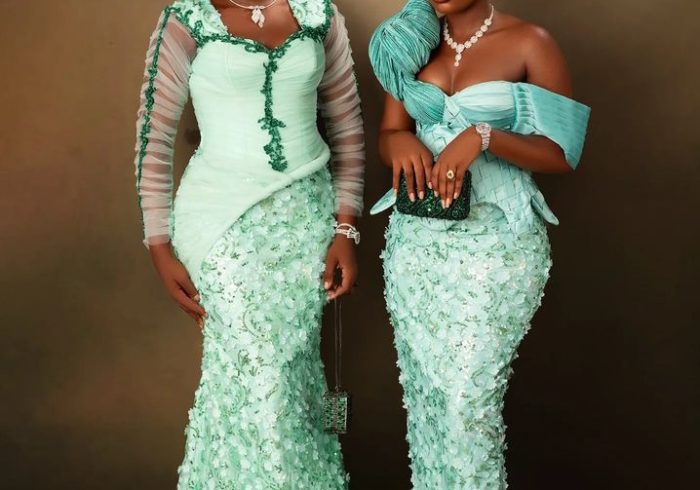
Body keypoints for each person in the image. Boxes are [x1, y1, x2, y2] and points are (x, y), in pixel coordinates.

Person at [133, 0, 364, 487]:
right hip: (220, 224)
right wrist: (158, 245)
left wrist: (346, 229)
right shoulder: (189, 16)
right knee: (261, 371)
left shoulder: (319, 14)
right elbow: (155, 136)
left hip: (306, 221)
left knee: (291, 374)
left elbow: (347, 128)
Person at [369, 0, 590, 488]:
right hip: (417, 245)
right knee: (428, 403)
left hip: (498, 243)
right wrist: (397, 142)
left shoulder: (531, 42)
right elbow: (389, 132)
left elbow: (562, 153)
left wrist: (485, 137)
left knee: (467, 404)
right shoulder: (411, 41)